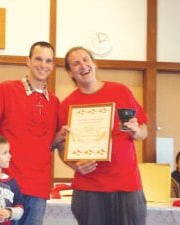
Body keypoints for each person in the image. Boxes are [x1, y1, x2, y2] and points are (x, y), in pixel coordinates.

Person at [0, 41, 59, 225]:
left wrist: (62, 137)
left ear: (53, 65)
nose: (43, 65)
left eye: (48, 61)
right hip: (4, 185)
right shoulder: (7, 89)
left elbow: (48, 144)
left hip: (38, 189)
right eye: (38, 59)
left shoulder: (55, 102)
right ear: (28, 61)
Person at [55, 46, 148, 225]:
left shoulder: (121, 91)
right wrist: (74, 165)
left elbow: (144, 130)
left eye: (86, 59)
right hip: (89, 188)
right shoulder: (66, 106)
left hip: (126, 185)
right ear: (70, 73)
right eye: (76, 63)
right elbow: (60, 146)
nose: (83, 65)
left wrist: (137, 131)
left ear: (94, 63)